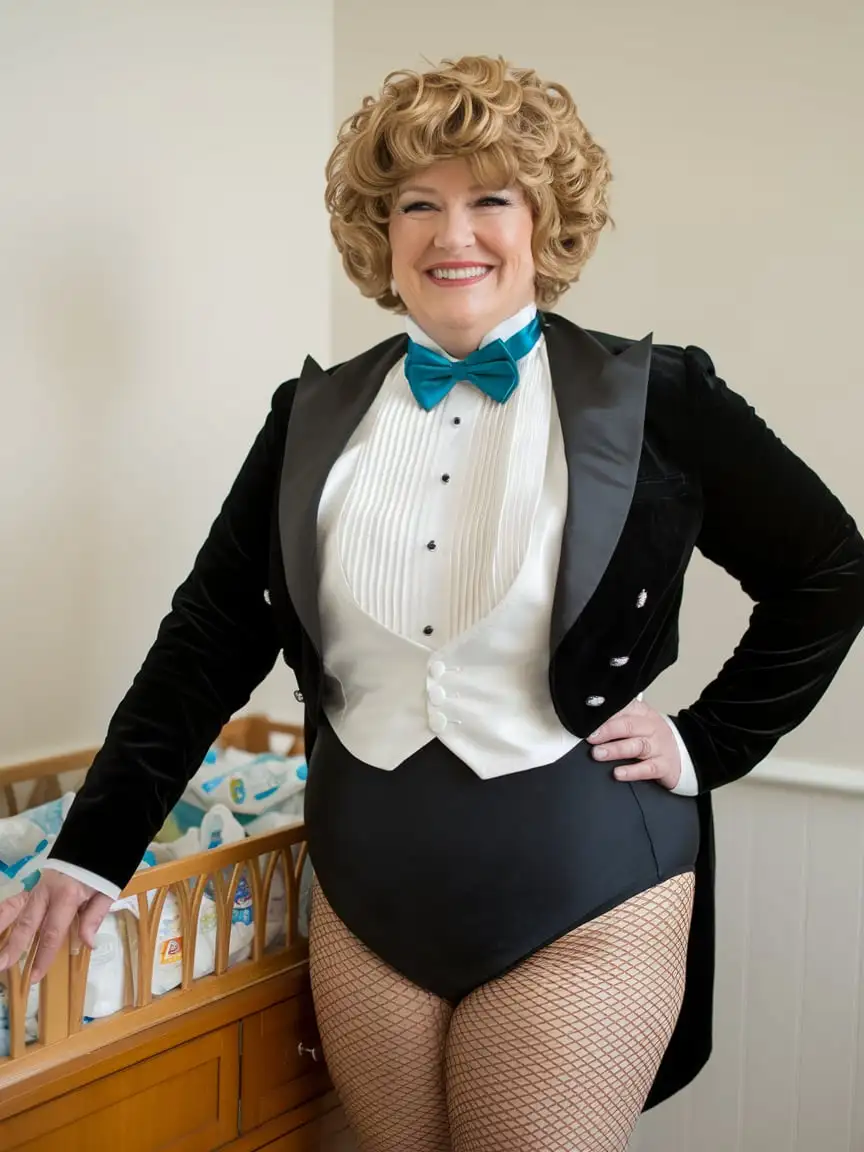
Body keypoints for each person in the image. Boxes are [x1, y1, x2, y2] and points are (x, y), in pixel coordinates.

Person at [1, 54, 863, 1152]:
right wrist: (91, 851)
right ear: (382, 230)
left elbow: (830, 569)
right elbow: (205, 646)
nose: (454, 234)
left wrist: (710, 743)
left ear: (544, 221)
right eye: (418, 204)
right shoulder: (308, 416)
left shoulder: (659, 397)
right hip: (367, 899)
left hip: (585, 894)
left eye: (490, 198)